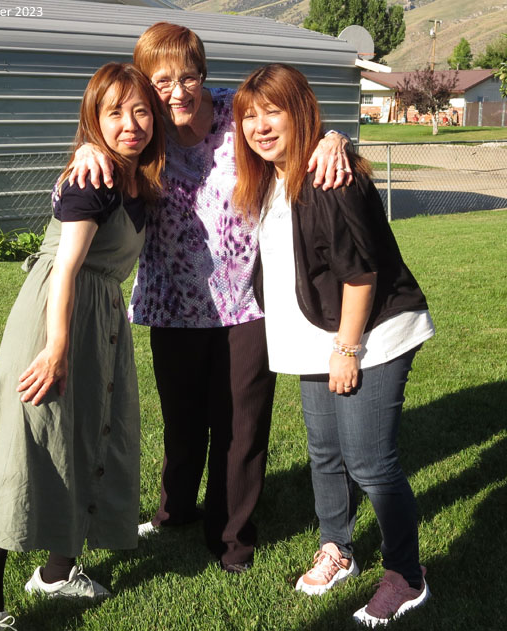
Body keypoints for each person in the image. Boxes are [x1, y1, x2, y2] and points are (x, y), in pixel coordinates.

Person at [70, 22, 353, 574]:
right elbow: (99, 137)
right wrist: (84, 149)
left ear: (203, 76)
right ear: (146, 85)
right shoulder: (141, 132)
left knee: (240, 426)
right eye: (162, 81)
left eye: (189, 77)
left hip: (246, 302)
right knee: (181, 422)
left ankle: (231, 539)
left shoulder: (233, 114)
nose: (178, 92)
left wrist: (335, 138)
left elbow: (290, 123)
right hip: (172, 302)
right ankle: (175, 510)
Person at [0, 62, 165, 631]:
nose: (130, 124)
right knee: (29, 444)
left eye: (141, 110)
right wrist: (55, 348)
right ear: (93, 120)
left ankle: (55, 572)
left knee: (89, 433)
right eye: (114, 112)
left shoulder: (136, 176)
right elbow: (67, 267)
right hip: (57, 315)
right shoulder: (92, 176)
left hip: (99, 319)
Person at [232, 63, 434, 626]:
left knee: (370, 462)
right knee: (325, 453)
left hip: (369, 333)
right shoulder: (273, 178)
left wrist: (347, 350)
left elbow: (360, 275)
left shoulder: (328, 178)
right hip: (315, 335)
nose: (260, 126)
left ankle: (407, 575)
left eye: (273, 111)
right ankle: (337, 549)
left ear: (300, 113)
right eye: (250, 116)